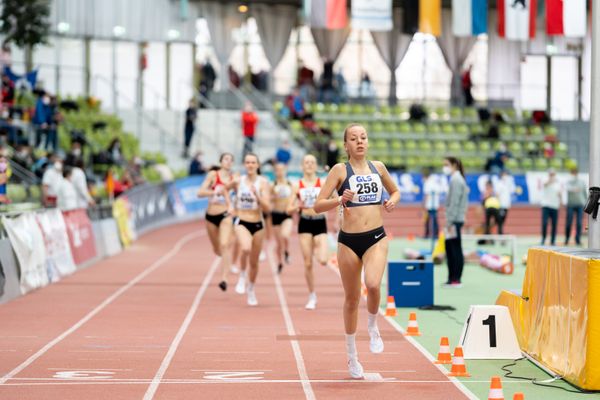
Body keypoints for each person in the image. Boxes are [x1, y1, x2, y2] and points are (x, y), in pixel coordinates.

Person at [314, 123, 400, 379]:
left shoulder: (379, 167)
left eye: (363, 137)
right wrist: (339, 199)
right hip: (348, 241)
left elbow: (395, 191)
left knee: (373, 285)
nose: (360, 141)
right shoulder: (340, 171)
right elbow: (318, 205)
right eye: (354, 138)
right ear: (346, 145)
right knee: (351, 299)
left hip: (375, 237)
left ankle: (373, 327)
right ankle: (352, 358)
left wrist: (391, 202)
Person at [286, 154, 330, 310]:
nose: (309, 164)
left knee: (323, 260)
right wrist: (299, 205)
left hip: (320, 222)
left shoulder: (323, 183)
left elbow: (333, 200)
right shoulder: (297, 186)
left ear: (315, 165)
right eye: (306, 162)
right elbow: (288, 209)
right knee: (308, 263)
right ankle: (312, 295)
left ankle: (319, 247)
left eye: (312, 162)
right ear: (302, 166)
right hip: (304, 223)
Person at [232, 153, 271, 306]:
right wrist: (229, 205)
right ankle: (242, 275)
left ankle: (251, 289)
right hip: (242, 221)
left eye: (253, 162)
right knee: (246, 248)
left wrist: (258, 196)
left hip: (258, 224)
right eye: (247, 162)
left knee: (254, 263)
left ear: (257, 165)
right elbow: (224, 189)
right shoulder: (238, 181)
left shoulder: (263, 182)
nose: (250, 165)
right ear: (244, 164)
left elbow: (267, 207)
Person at [197, 153, 236, 291]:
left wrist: (233, 207)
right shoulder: (213, 175)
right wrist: (214, 192)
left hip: (225, 215)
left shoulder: (233, 178)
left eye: (231, 160)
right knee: (217, 249)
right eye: (226, 159)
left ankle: (224, 279)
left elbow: (239, 194)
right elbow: (200, 192)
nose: (228, 162)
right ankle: (225, 257)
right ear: (220, 161)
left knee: (224, 245)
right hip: (211, 215)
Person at [443, 157, 469, 287]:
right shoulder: (456, 179)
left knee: (454, 249)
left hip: (454, 221)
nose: (444, 167)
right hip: (453, 220)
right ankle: (452, 278)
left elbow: (454, 203)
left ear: (454, 165)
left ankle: (456, 278)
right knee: (450, 249)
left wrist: (449, 221)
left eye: (446, 164)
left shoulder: (456, 180)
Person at [270, 163, 294, 274]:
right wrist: (273, 197)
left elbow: (294, 198)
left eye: (281, 170)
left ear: (285, 171)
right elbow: (268, 200)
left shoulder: (290, 184)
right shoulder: (272, 185)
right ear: (275, 172)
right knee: (278, 243)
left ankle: (287, 251)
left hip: (287, 214)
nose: (279, 172)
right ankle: (279, 263)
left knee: (285, 235)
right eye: (277, 170)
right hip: (276, 214)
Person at [565, 168, 587, 246]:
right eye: (572, 173)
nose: (574, 175)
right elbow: (568, 188)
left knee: (579, 223)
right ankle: (567, 238)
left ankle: (578, 239)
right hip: (571, 205)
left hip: (580, 205)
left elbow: (585, 193)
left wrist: (586, 203)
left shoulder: (582, 182)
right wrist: (574, 189)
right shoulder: (568, 182)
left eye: (575, 173)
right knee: (568, 222)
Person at [541, 169, 562, 246]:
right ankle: (543, 239)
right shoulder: (545, 179)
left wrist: (561, 202)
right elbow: (545, 184)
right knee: (544, 223)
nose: (552, 175)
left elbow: (559, 193)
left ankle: (553, 240)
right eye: (551, 174)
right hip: (546, 205)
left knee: (554, 224)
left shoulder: (558, 182)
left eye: (553, 174)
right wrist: (551, 180)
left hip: (554, 206)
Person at [423, 169, 442, 239]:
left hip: (429, 205)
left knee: (428, 220)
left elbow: (426, 195)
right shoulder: (435, 182)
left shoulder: (427, 183)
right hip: (435, 204)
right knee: (434, 219)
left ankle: (427, 234)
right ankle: (435, 234)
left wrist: (424, 204)